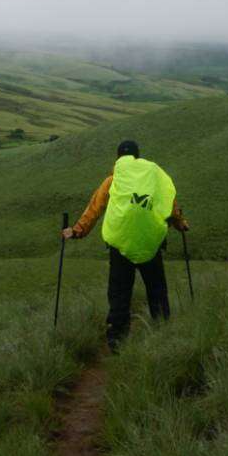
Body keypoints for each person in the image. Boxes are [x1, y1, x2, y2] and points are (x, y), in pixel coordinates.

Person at [61, 138, 189, 350]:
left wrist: (76, 231)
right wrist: (180, 223)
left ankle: (117, 341)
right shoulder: (153, 179)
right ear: (137, 157)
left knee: (119, 293)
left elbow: (95, 208)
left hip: (120, 246)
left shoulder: (113, 180)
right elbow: (169, 204)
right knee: (157, 290)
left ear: (119, 158)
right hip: (151, 242)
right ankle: (163, 333)